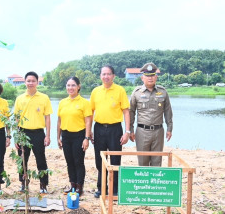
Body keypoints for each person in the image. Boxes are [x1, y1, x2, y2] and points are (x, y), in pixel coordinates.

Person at [90, 65, 130, 198]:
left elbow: (126, 111)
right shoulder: (95, 91)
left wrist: (127, 132)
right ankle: (101, 188)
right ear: (100, 76)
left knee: (115, 159)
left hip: (115, 129)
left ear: (113, 76)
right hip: (99, 128)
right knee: (100, 159)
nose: (106, 76)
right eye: (103, 74)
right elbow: (90, 112)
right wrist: (89, 131)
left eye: (108, 74)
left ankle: (114, 189)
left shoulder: (120, 90)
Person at [14, 71, 53, 194]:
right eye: (28, 81)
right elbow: (16, 118)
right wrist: (16, 136)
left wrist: (47, 135)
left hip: (38, 133)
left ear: (37, 82)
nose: (31, 83)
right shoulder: (20, 98)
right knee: (22, 159)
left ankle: (43, 184)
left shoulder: (44, 98)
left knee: (41, 159)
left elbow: (47, 117)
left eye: (33, 81)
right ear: (25, 82)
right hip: (23, 133)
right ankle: (23, 183)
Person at [129, 62, 173, 166]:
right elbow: (131, 112)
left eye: (152, 75)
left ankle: (155, 182)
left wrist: (170, 128)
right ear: (142, 78)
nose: (150, 78)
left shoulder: (163, 92)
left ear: (156, 77)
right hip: (142, 131)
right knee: (143, 162)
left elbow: (168, 111)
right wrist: (130, 130)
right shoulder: (136, 92)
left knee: (157, 162)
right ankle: (143, 182)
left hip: (158, 131)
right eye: (147, 76)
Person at [57, 77, 92, 196]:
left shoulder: (84, 103)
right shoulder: (62, 102)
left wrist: (86, 138)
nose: (70, 88)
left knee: (78, 161)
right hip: (66, 136)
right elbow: (59, 121)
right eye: (68, 85)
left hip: (79, 135)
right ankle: (72, 185)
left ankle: (79, 186)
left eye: (73, 85)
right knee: (69, 161)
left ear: (78, 86)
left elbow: (88, 121)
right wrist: (58, 137)